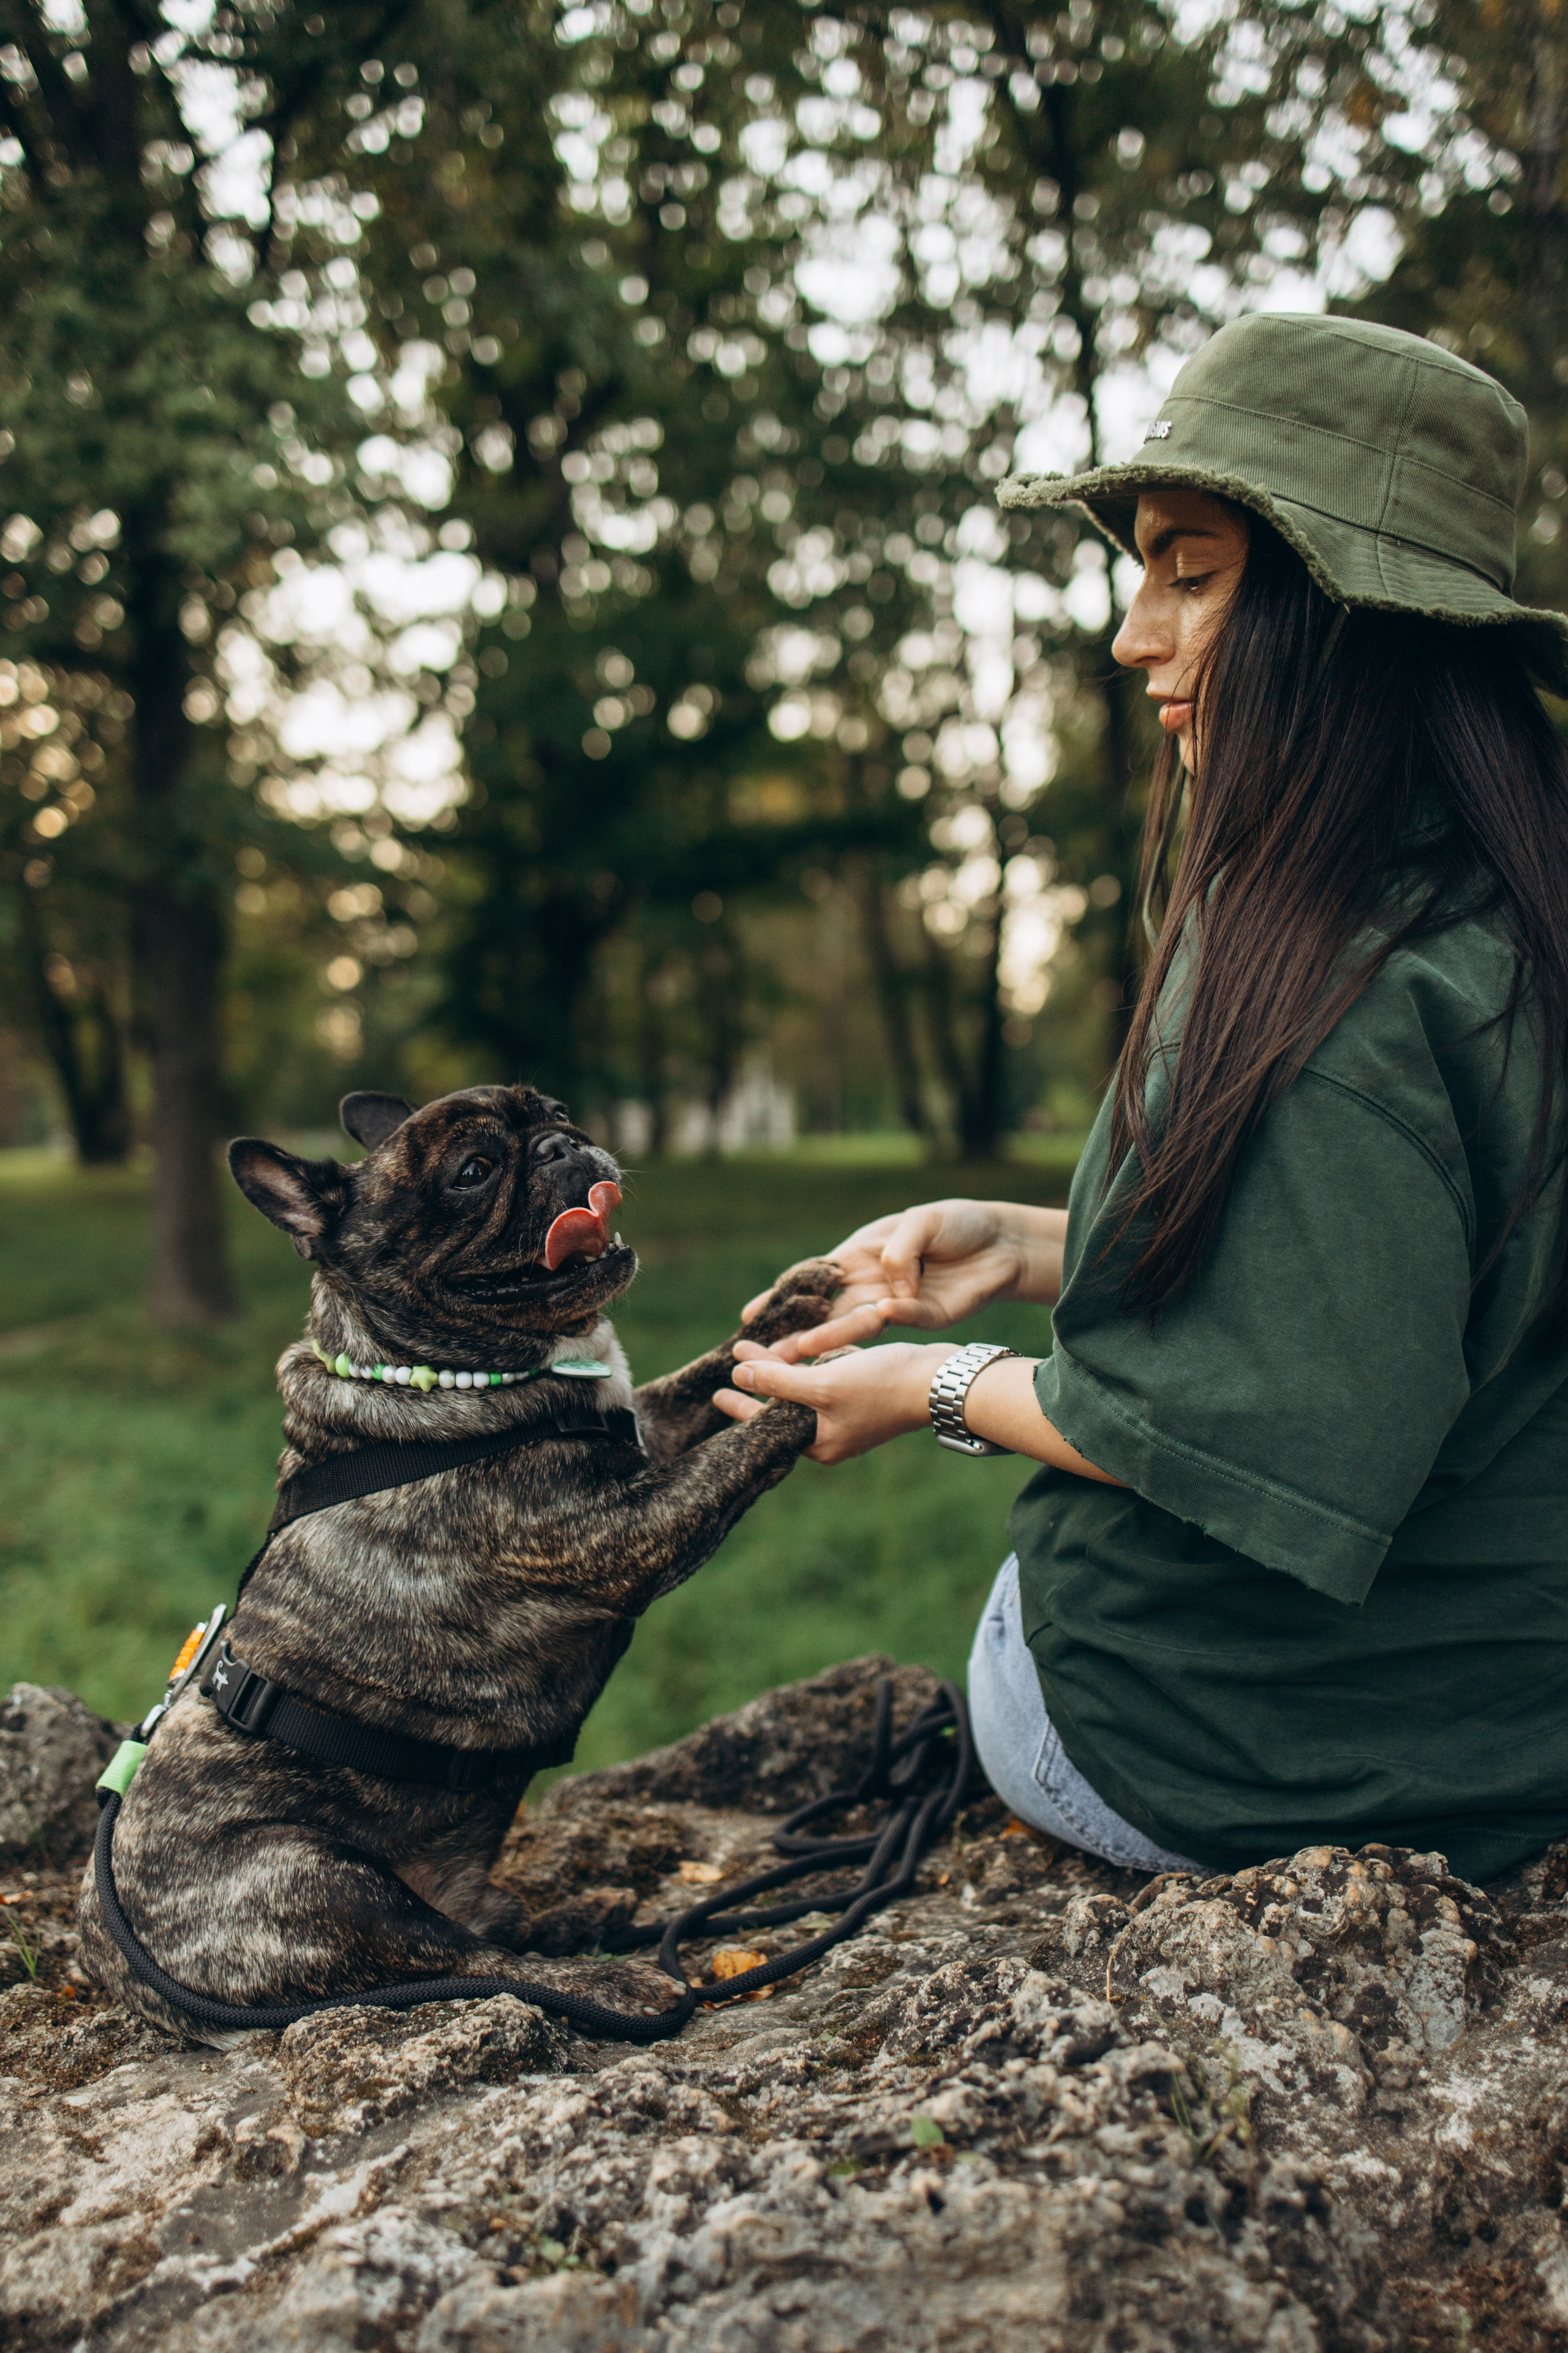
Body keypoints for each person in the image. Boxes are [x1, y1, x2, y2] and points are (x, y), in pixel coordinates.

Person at [714, 311, 1568, 1885]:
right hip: (1514, 1721)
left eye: (1190, 570)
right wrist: (1037, 1245)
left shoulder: (1333, 983)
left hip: (1244, 1747)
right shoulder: (1513, 909)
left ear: (1344, 615)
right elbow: (1409, 1270)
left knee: (1013, 1639)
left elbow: (1264, 1428)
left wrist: (929, 1389)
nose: (1131, 634)